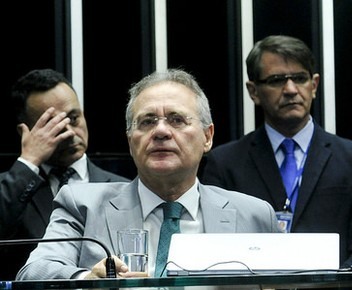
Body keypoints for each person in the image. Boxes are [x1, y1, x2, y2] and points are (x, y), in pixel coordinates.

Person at [16, 69, 280, 280]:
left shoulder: (254, 214)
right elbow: (34, 272)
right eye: (147, 121)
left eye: (177, 119)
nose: (161, 131)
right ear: (131, 140)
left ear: (207, 137)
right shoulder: (82, 205)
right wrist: (87, 280)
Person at [200, 35, 352, 267]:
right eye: (276, 80)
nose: (291, 89)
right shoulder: (224, 163)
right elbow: (216, 250)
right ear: (253, 91)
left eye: (299, 78)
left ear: (313, 85)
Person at [0, 69, 130, 280]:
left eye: (73, 118)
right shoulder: (14, 187)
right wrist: (29, 161)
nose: (69, 132)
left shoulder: (123, 186)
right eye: (54, 125)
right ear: (27, 132)